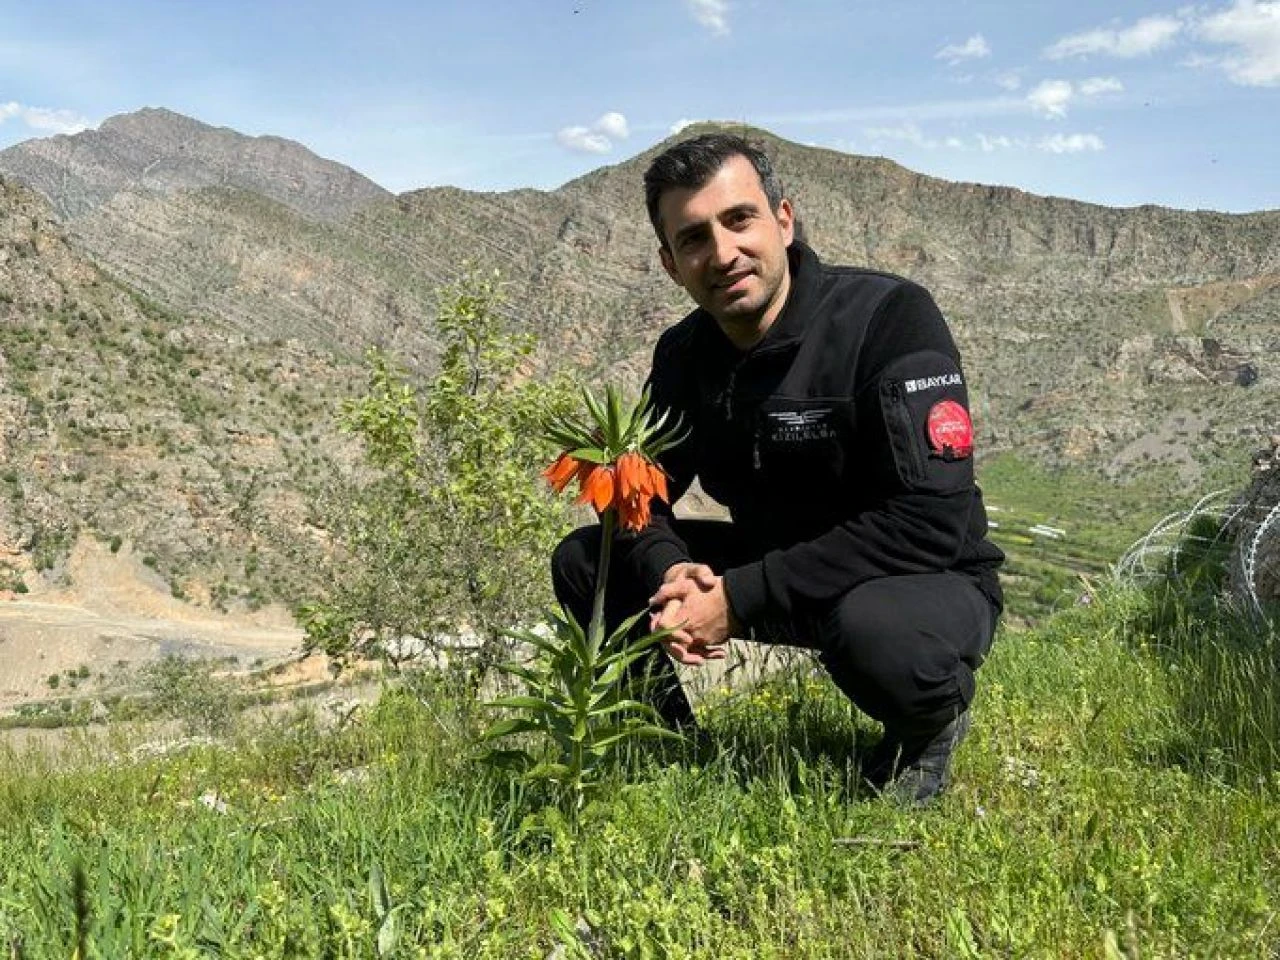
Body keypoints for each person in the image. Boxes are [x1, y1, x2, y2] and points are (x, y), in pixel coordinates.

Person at [551, 133, 1004, 805]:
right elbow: (637, 494)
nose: (723, 253)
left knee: (874, 630)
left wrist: (738, 599)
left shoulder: (890, 317)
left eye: (740, 220)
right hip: (786, 569)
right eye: (694, 238)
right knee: (591, 559)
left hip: (916, 579)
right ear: (671, 264)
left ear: (783, 221)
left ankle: (928, 724)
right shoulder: (683, 354)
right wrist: (672, 569)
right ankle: (663, 744)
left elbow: (930, 521)